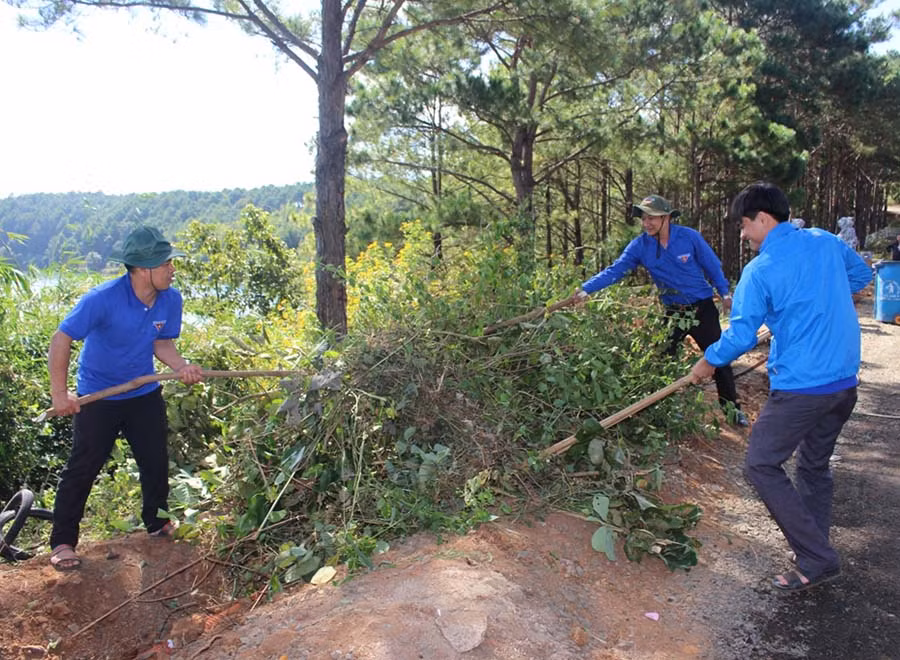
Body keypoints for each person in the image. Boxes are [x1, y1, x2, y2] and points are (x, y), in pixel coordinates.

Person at [690, 182, 872, 593]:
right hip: (844, 383)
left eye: (744, 225)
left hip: (803, 389)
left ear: (764, 219)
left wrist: (706, 363)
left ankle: (816, 556)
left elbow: (739, 336)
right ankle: (815, 547)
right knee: (812, 465)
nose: (742, 234)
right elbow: (860, 275)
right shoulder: (825, 241)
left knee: (760, 463)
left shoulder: (762, 269)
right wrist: (814, 304)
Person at [47, 226, 203, 571]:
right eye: (166, 264)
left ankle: (157, 522)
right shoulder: (102, 299)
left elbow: (162, 344)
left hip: (143, 392)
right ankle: (62, 541)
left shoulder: (170, 299)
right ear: (143, 268)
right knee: (83, 467)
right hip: (99, 395)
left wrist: (182, 367)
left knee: (155, 460)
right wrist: (60, 394)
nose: (172, 269)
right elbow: (61, 339)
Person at [575, 193, 748, 426]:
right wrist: (587, 289)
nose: (647, 223)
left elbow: (712, 265)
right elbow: (615, 270)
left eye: (652, 218)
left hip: (702, 309)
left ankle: (731, 410)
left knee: (718, 357)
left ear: (667, 218)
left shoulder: (689, 237)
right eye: (644, 219)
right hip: (672, 312)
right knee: (662, 360)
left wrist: (725, 293)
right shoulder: (640, 246)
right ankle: (665, 409)